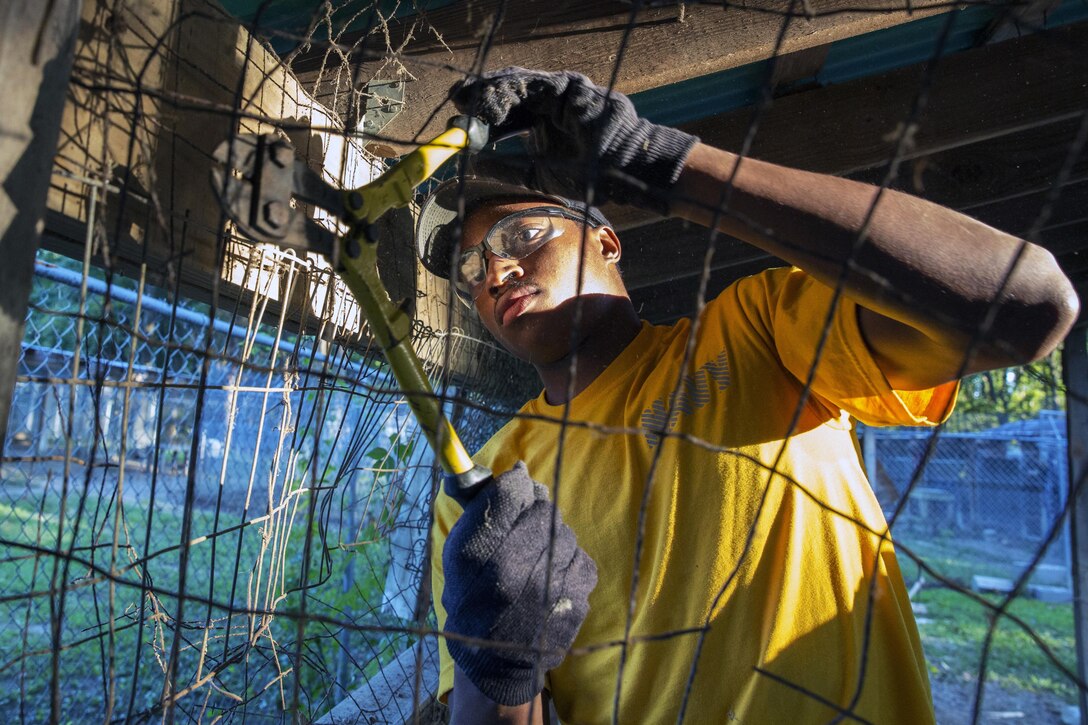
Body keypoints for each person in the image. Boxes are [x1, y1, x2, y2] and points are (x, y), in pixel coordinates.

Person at [416, 68, 1079, 724]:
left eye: (520, 236)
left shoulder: (758, 329)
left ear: (608, 239)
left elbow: (1028, 302)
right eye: (471, 268)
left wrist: (667, 164)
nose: (496, 271)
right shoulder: (486, 487)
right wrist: (497, 658)